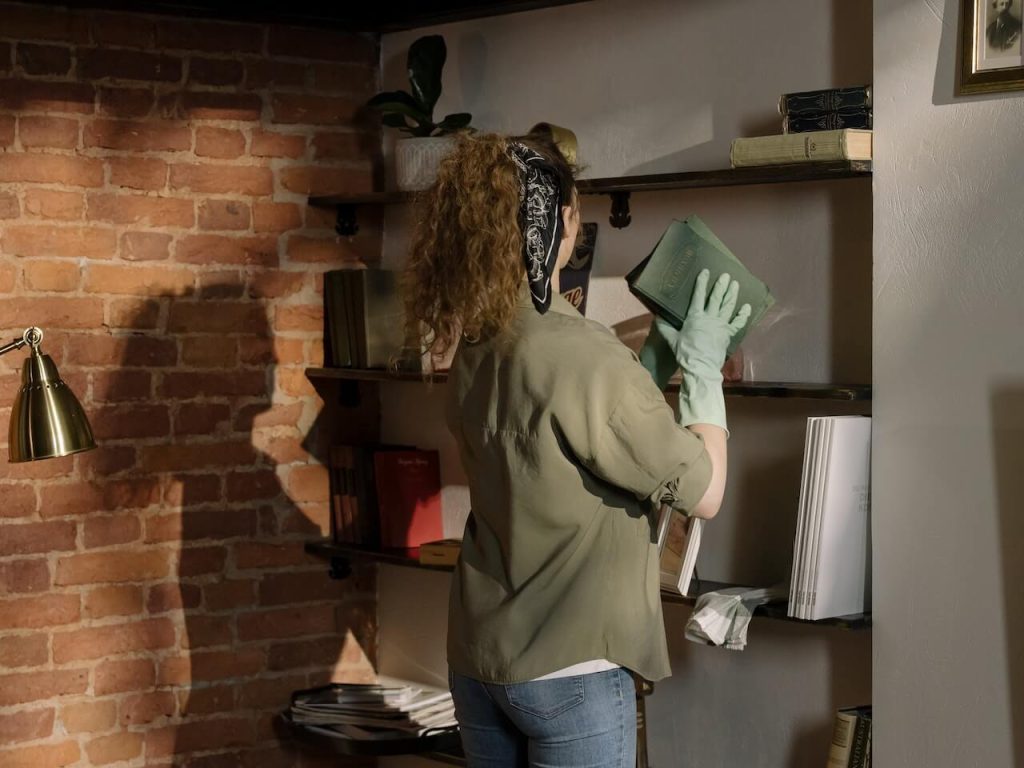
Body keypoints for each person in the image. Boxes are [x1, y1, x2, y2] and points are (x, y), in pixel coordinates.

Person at [402, 130, 750, 768]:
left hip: (481, 661)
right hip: (572, 669)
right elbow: (705, 491)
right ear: (563, 220)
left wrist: (653, 358)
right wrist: (700, 369)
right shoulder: (584, 356)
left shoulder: (476, 347)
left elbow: (579, 439)